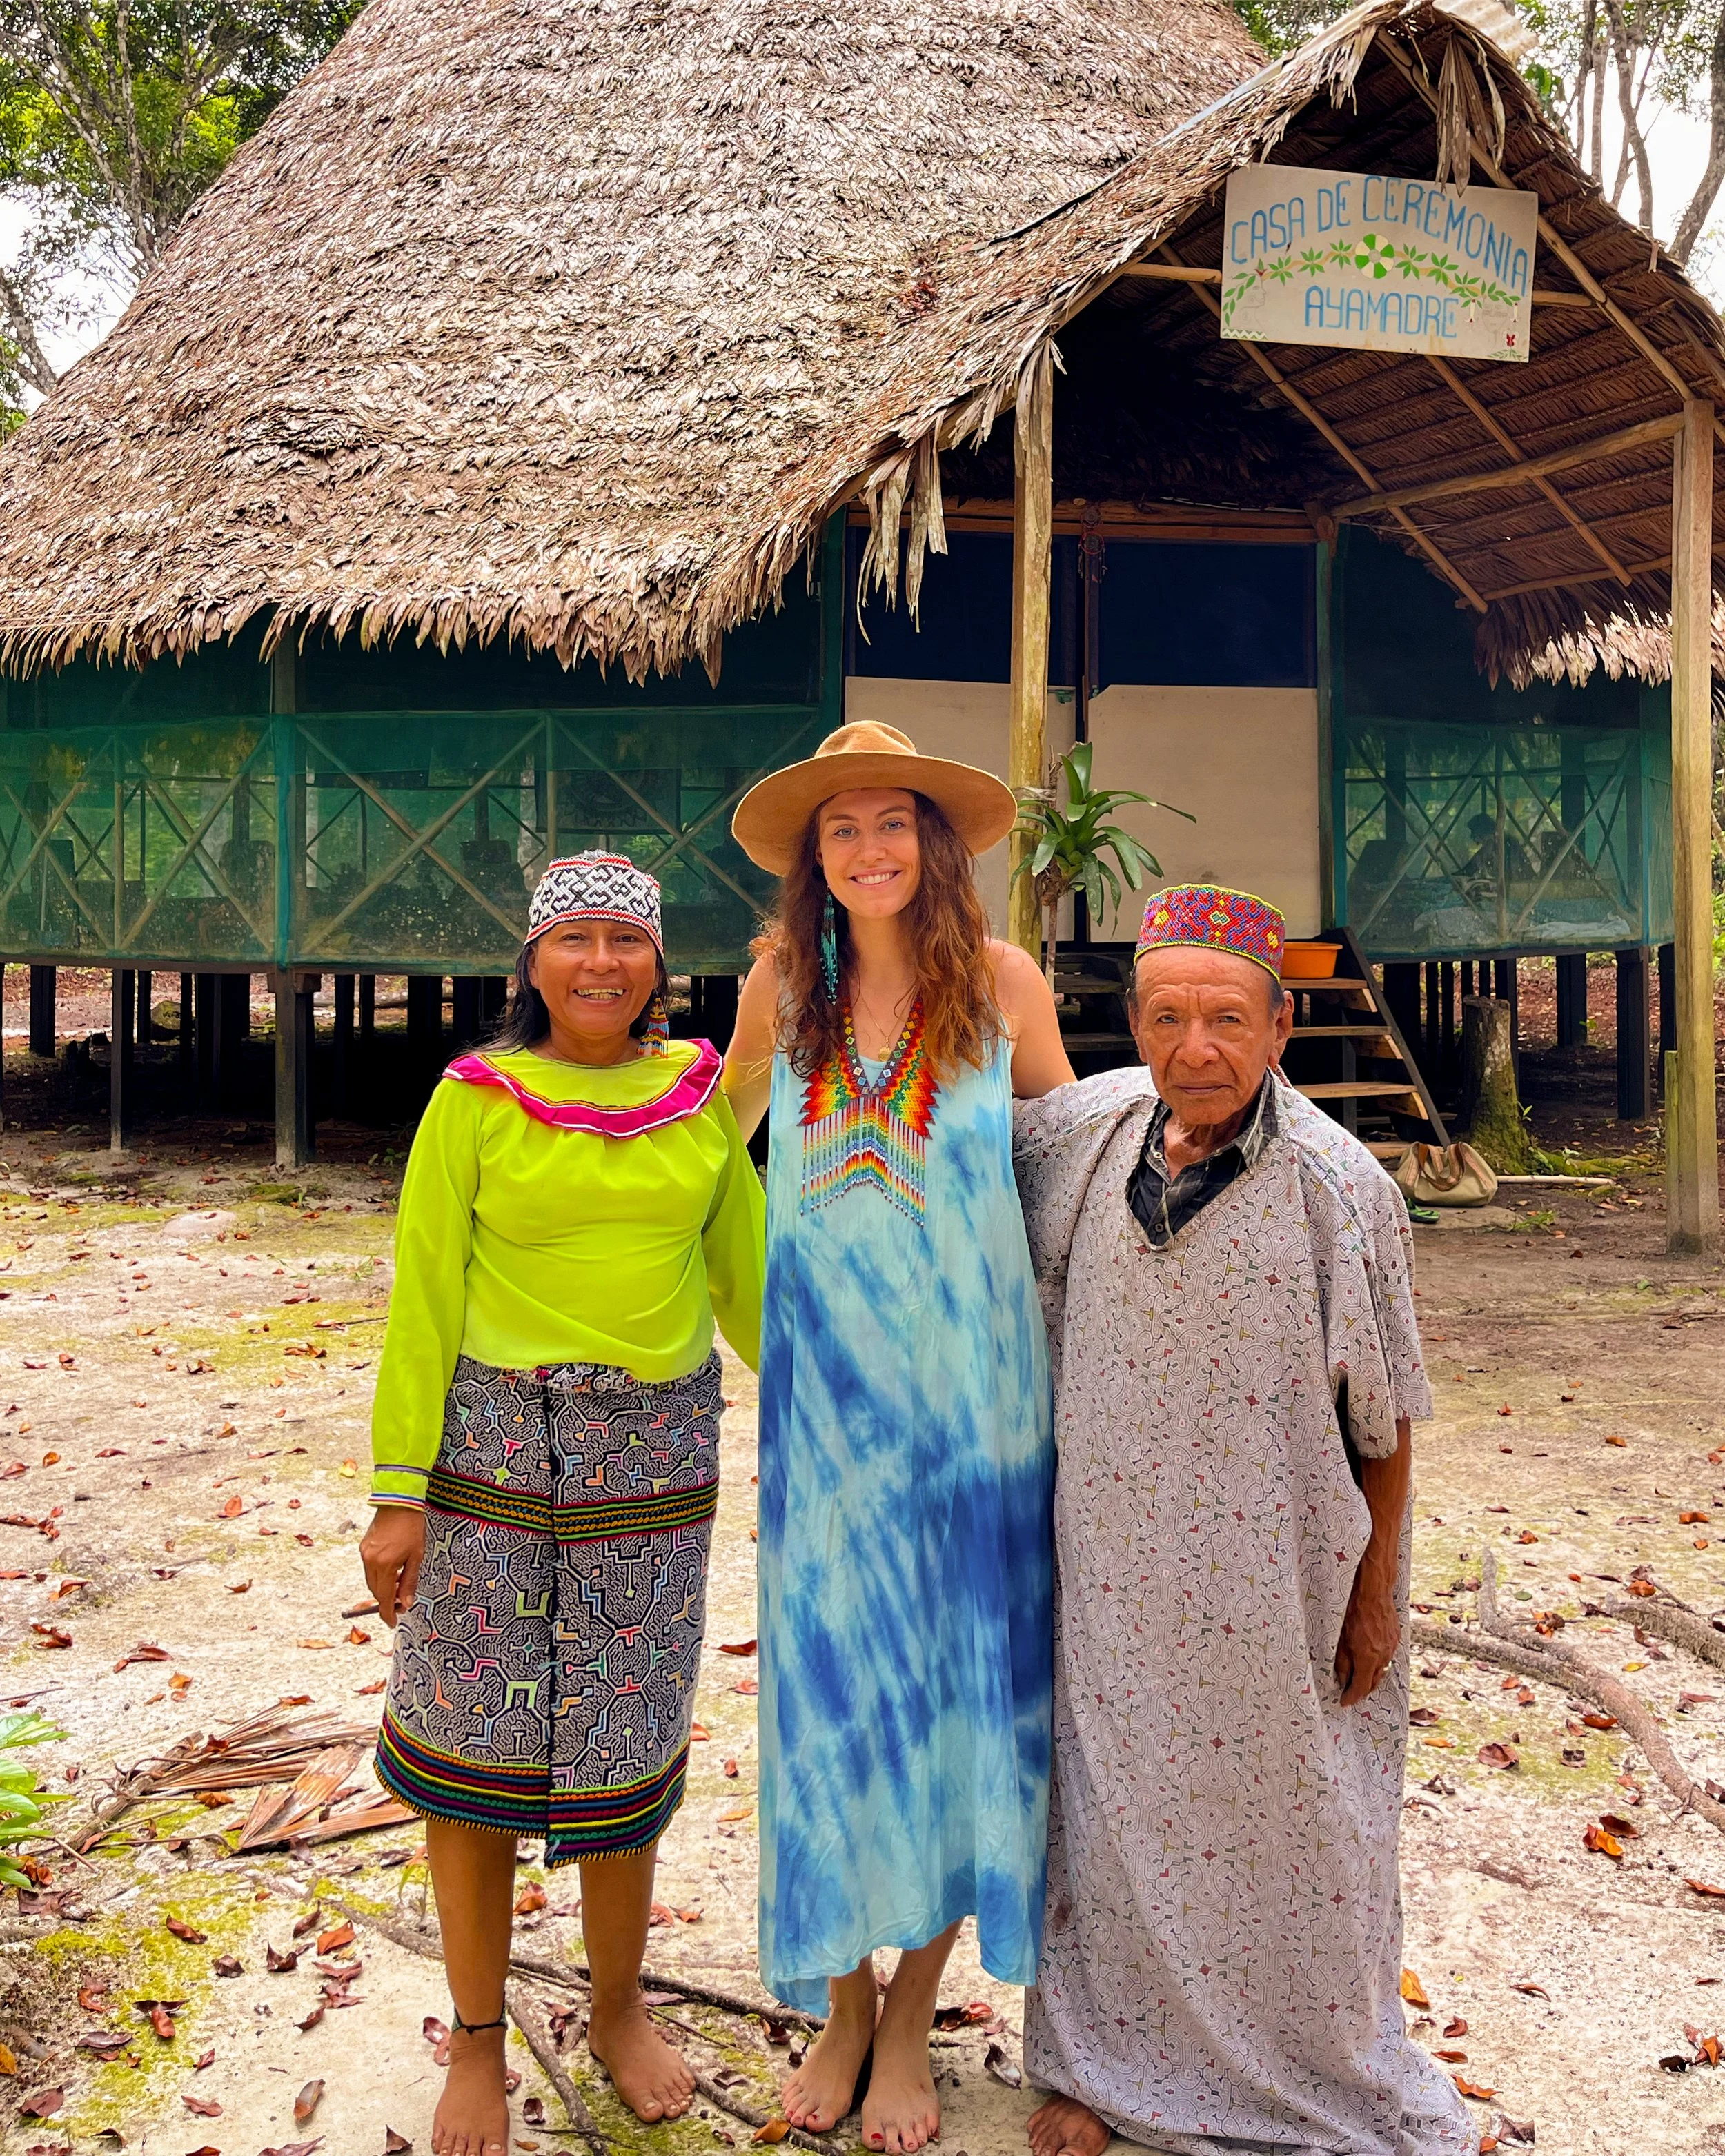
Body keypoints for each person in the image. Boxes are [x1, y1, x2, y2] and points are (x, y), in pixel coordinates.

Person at [1012, 884, 1474, 2156]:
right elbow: (941, 1125)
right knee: (1110, 1818)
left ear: (1281, 1029)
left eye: (1227, 1019)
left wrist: (1376, 1591)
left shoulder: (1342, 1188)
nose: (1194, 1049)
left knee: (1298, 1824)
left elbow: (1389, 1422)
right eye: (1165, 1018)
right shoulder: (1092, 1136)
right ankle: (1105, 2072)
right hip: (1107, 1564)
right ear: (1134, 1027)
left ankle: (1307, 2075)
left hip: (1280, 1572)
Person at [360, 851, 765, 2156]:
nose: (602, 963)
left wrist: (857, 1414)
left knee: (627, 1740)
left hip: (651, 1463)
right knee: (470, 1749)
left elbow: (750, 1280)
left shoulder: (698, 1098)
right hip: (488, 1455)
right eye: (575, 938)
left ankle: (614, 2008)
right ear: (531, 962)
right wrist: (396, 1495)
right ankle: (477, 2041)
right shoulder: (474, 1101)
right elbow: (421, 1298)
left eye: (626, 941)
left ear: (659, 962)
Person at [723, 721, 1075, 2156]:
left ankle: (916, 2000)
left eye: (892, 823)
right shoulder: (778, 988)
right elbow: (697, 1136)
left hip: (977, 1410)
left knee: (951, 1700)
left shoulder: (998, 985)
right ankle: (840, 1997)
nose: (867, 848)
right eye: (840, 829)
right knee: (830, 1698)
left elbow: (1072, 1157)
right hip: (828, 1416)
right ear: (814, 859)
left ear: (935, 846)